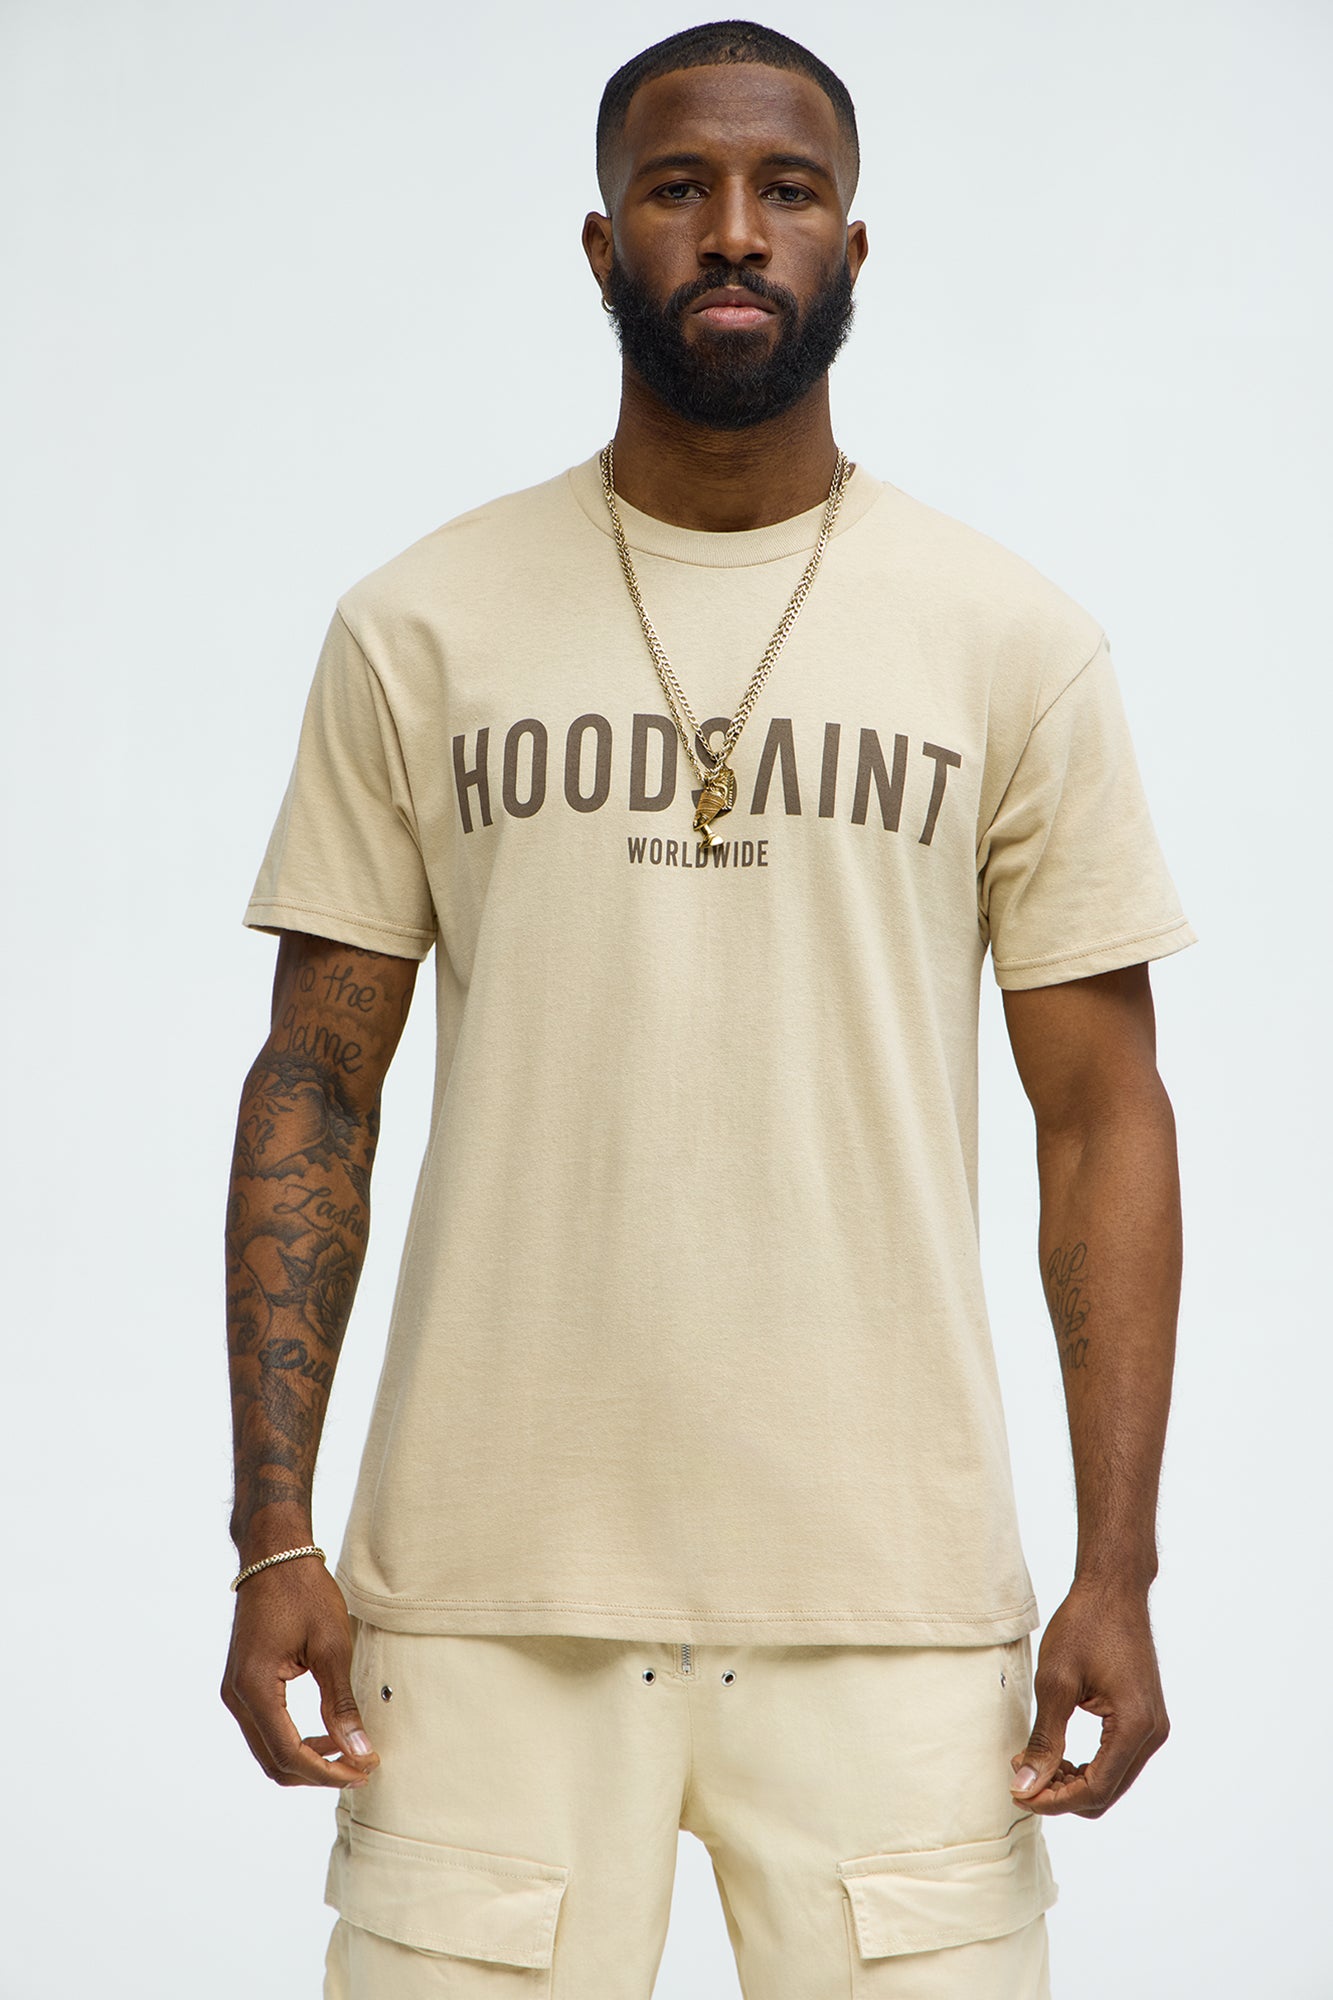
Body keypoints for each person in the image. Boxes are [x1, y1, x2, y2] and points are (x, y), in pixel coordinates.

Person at [221, 20, 1195, 1998]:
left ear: (851, 243)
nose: (734, 230)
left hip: (890, 1606)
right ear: (603, 245)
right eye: (679, 189)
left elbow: (1100, 1116)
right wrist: (271, 1535)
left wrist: (1118, 1565)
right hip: (483, 1599)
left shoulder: (1011, 642)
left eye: (785, 189)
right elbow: (316, 1084)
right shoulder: (419, 627)